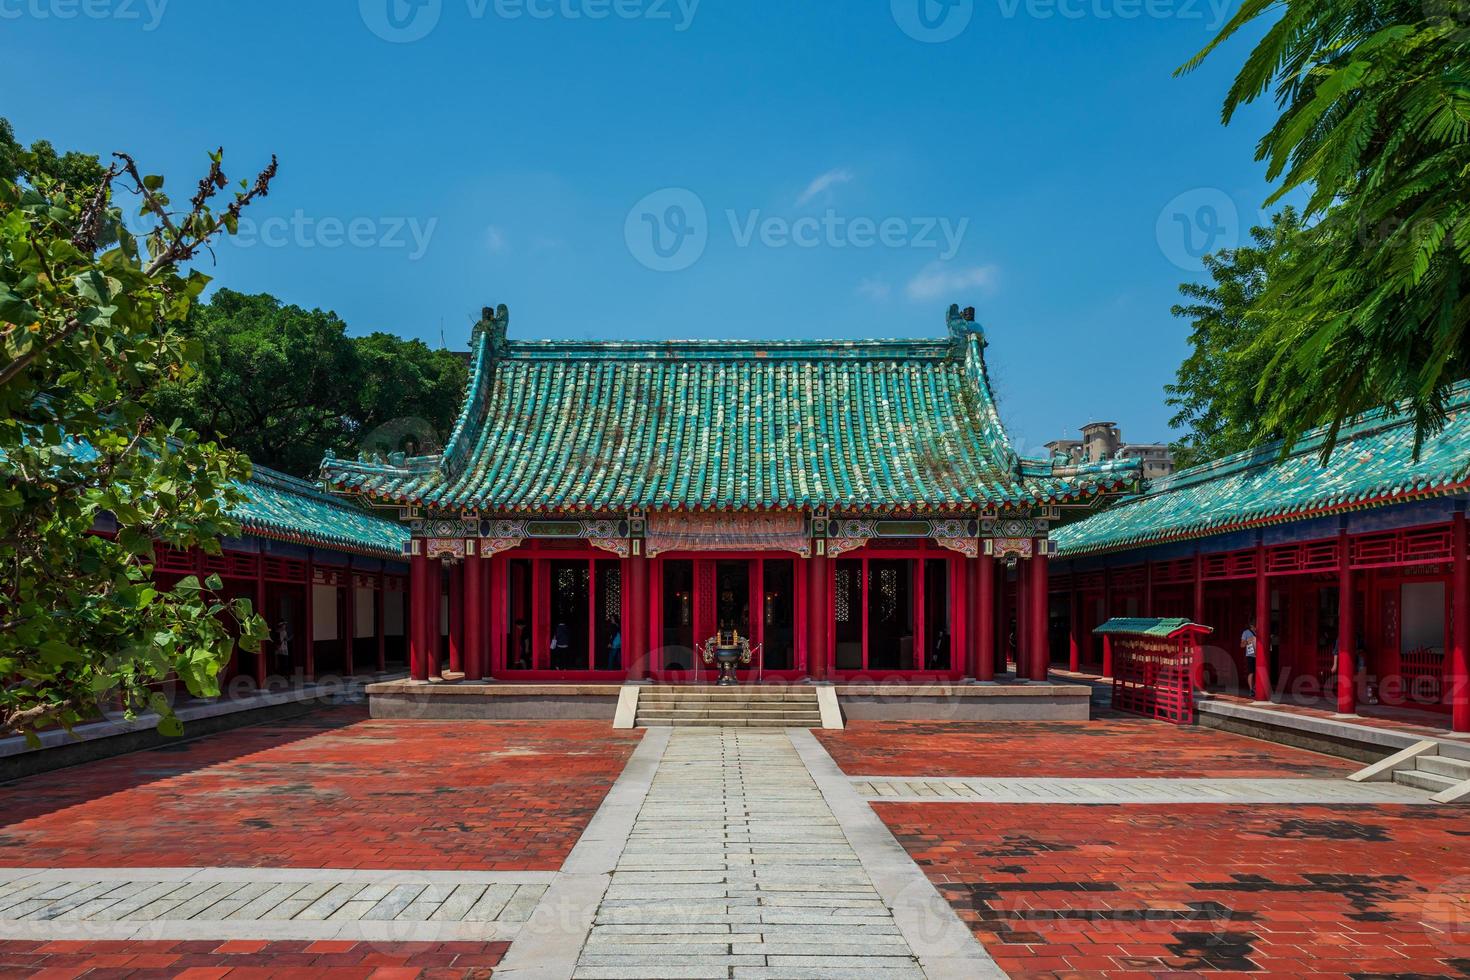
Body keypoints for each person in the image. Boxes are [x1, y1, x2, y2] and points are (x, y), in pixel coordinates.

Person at [1240, 621, 1258, 694]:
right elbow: (1241, 645)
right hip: (1251, 655)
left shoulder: (1259, 632)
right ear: (1251, 626)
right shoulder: (1246, 633)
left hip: (1259, 655)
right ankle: (1251, 689)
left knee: (1259, 672)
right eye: (1255, 626)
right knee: (1251, 672)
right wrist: (1248, 641)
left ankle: (1256, 688)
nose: (1256, 628)